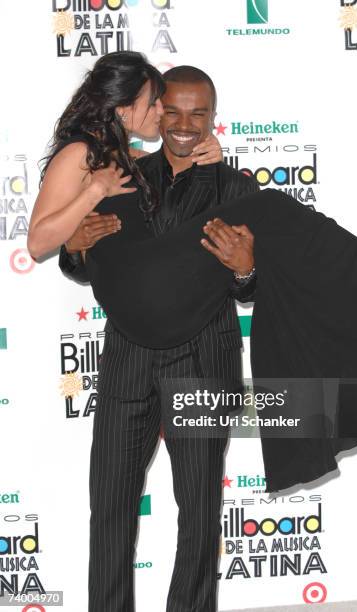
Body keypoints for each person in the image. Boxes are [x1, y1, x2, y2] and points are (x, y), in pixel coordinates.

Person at [28, 52, 259, 612]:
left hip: (203, 356)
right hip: (128, 356)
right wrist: (78, 249)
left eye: (196, 114)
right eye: (171, 111)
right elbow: (89, 263)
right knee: (108, 502)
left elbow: (250, 287)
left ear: (212, 118)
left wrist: (247, 267)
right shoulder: (124, 174)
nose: (182, 125)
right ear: (155, 113)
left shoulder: (235, 184)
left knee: (200, 506)